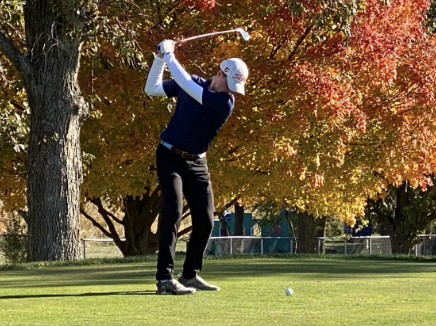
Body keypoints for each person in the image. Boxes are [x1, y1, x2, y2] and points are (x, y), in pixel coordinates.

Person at [144, 39, 248, 295]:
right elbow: (152, 88)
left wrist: (169, 55)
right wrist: (159, 59)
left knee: (204, 219)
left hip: (197, 161)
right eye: (230, 83)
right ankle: (164, 279)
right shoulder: (194, 83)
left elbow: (188, 86)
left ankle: (190, 274)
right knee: (173, 212)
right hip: (169, 155)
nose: (231, 90)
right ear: (220, 72)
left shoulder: (224, 103)